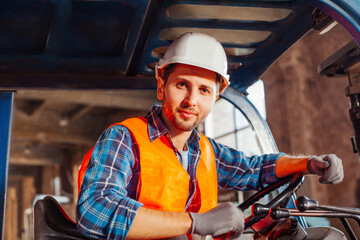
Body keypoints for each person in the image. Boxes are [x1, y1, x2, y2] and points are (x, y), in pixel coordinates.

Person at [76, 32, 344, 239]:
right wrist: (196, 222)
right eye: (182, 85)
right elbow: (95, 211)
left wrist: (308, 163)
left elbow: (255, 168)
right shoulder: (124, 139)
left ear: (215, 97)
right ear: (161, 86)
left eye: (204, 90)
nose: (191, 100)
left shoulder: (205, 151)